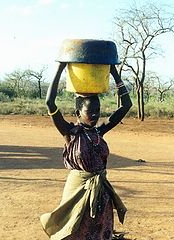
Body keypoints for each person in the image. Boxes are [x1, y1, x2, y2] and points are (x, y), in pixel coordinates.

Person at [40, 62, 132, 240]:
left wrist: (113, 72)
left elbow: (126, 104)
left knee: (100, 232)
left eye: (98, 111)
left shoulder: (100, 130)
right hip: (77, 192)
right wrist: (61, 68)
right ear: (78, 112)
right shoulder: (70, 133)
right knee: (75, 230)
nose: (96, 115)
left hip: (100, 195)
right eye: (91, 111)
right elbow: (49, 102)